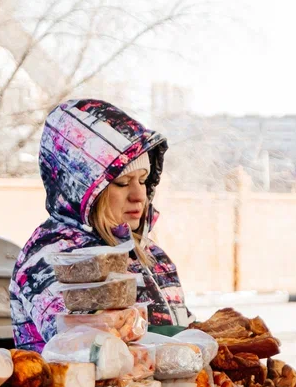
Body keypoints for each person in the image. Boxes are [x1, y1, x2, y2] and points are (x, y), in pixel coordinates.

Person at [10, 99, 193, 351]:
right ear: (84, 188)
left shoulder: (153, 257)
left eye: (143, 180)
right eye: (122, 182)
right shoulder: (54, 260)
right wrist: (176, 339)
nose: (139, 195)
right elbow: (83, 345)